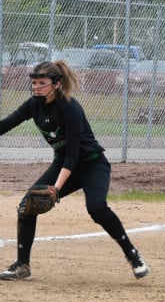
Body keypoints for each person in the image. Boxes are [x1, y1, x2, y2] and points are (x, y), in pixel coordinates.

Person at [0, 60, 149, 281]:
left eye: (42, 83)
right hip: (62, 164)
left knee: (97, 208)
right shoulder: (33, 105)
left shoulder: (70, 108)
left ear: (56, 84)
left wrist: (56, 189)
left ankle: (132, 254)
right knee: (26, 207)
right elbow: (5, 125)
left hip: (91, 164)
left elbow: (72, 156)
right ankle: (22, 266)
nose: (36, 87)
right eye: (34, 83)